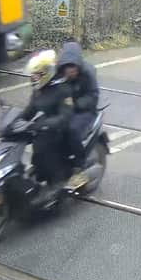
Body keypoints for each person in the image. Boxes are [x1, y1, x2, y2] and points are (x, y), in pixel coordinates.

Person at [22, 50, 74, 202]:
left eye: (36, 75)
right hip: (45, 125)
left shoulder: (63, 89)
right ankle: (40, 170)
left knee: (45, 146)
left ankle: (58, 181)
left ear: (46, 74)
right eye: (32, 75)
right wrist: (14, 121)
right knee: (35, 142)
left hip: (61, 129)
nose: (33, 78)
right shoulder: (39, 90)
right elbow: (30, 109)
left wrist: (44, 124)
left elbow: (66, 116)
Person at [56, 41, 100, 189]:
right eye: (67, 67)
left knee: (71, 129)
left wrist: (75, 103)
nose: (70, 71)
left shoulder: (88, 73)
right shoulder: (58, 74)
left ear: (78, 65)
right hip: (65, 109)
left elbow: (93, 96)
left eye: (73, 67)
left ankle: (79, 167)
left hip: (84, 112)